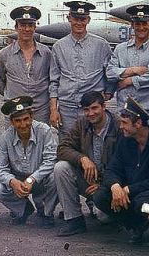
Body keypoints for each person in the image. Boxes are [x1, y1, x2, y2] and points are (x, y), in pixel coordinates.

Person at [93, 97, 149, 244]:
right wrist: (115, 186)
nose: (120, 127)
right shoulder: (125, 140)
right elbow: (112, 169)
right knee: (100, 196)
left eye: (124, 123)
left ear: (138, 123)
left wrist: (128, 189)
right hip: (128, 189)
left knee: (143, 203)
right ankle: (137, 226)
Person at [54, 91, 122, 236]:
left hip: (112, 185)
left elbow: (125, 166)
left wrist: (103, 186)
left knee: (104, 217)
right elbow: (62, 148)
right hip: (89, 180)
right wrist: (82, 159)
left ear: (104, 106)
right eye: (86, 110)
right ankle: (74, 220)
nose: (90, 113)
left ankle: (114, 215)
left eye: (94, 108)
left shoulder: (118, 127)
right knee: (61, 168)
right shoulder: (82, 123)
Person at [0, 96, 58, 228]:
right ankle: (23, 208)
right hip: (18, 180)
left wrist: (32, 179)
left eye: (26, 119)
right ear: (12, 122)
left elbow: (51, 160)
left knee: (56, 175)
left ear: (32, 117)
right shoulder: (6, 137)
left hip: (39, 178)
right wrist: (12, 182)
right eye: (18, 121)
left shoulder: (44, 131)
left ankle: (47, 212)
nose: (23, 124)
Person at [49, 1, 114, 137]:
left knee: (94, 146)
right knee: (67, 146)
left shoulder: (102, 45)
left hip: (92, 110)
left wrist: (107, 94)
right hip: (67, 109)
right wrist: (54, 109)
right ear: (69, 18)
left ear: (88, 20)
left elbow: (111, 74)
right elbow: (54, 81)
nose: (79, 23)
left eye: (82, 19)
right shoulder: (58, 47)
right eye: (76, 19)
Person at [0, 6, 55, 125]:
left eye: (30, 25)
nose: (26, 29)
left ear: (35, 28)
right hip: (14, 113)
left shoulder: (46, 53)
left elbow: (52, 81)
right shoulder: (5, 54)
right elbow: (1, 84)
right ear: (16, 27)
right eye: (22, 25)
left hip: (40, 113)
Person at [106, 4, 149, 123]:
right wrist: (134, 70)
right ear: (132, 24)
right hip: (124, 111)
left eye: (145, 23)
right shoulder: (120, 49)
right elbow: (110, 73)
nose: (141, 27)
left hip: (147, 112)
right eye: (137, 24)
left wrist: (129, 80)